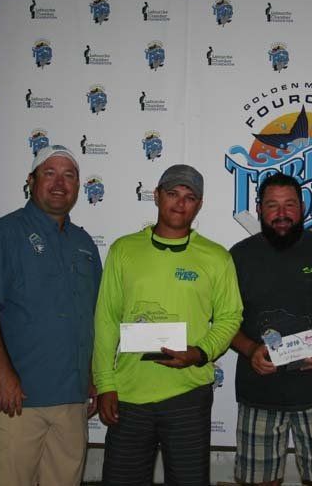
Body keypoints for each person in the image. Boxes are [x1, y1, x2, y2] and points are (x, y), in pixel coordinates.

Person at [93, 164, 243, 486]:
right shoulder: (123, 249)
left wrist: (200, 353)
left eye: (190, 197)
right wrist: (105, 383)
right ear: (157, 196)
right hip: (129, 393)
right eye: (172, 193)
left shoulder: (217, 257)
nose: (180, 203)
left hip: (188, 394)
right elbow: (106, 318)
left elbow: (231, 316)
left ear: (199, 205)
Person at [0, 145, 102, 486]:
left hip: (71, 399)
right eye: (49, 173)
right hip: (16, 399)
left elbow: (93, 315)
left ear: (78, 186)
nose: (60, 183)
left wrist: (94, 377)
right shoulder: (2, 234)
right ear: (31, 181)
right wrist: (2, 371)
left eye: (69, 175)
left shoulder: (84, 243)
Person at [229, 173, 312, 486]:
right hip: (258, 392)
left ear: (302, 207)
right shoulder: (238, 256)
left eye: (290, 204)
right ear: (259, 208)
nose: (281, 213)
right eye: (272, 205)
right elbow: (223, 321)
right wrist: (250, 350)